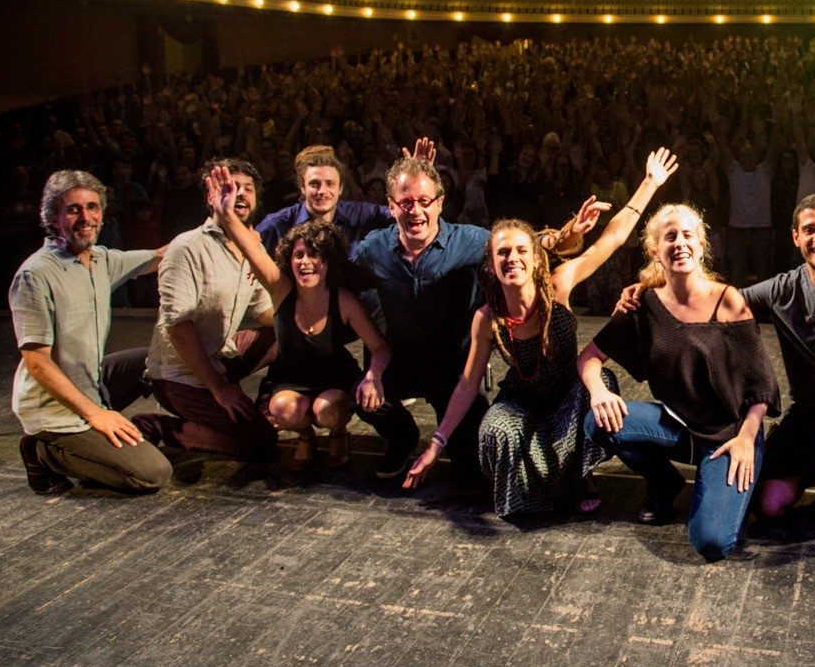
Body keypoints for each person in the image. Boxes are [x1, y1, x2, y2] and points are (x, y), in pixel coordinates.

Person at [616, 193, 815, 552]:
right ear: (796, 238)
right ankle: (814, 466)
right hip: (809, 413)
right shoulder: (782, 288)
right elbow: (716, 300)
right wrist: (652, 290)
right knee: (768, 507)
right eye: (809, 229)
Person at [405, 149, 679, 515]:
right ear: (492, 263)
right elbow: (468, 384)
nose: (512, 258)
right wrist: (435, 445)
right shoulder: (488, 318)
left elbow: (610, 239)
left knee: (605, 386)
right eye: (503, 252)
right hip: (523, 403)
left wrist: (649, 183)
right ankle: (558, 482)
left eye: (521, 250)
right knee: (493, 431)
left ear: (536, 258)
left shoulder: (559, 284)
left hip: (568, 398)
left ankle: (577, 474)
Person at [352, 153, 593, 478]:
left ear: (439, 202)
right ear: (391, 205)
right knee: (360, 395)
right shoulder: (373, 249)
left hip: (452, 371)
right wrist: (374, 361)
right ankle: (402, 436)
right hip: (401, 363)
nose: (416, 210)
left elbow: (523, 244)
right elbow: (340, 286)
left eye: (425, 200)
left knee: (472, 465)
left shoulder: (469, 241)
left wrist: (565, 235)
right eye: (406, 201)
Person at [579, 204, 782, 560]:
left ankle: (733, 484)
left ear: (702, 244)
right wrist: (598, 391)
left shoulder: (728, 300)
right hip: (679, 428)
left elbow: (762, 386)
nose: (679, 243)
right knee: (597, 421)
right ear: (655, 249)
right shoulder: (643, 305)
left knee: (712, 543)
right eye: (669, 236)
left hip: (731, 433)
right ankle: (664, 483)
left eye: (688, 235)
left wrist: (748, 438)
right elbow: (588, 358)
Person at [207, 165, 391, 471]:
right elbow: (252, 247)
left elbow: (380, 347)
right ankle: (305, 435)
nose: (306, 262)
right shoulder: (281, 289)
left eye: (315, 255)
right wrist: (226, 216)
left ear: (328, 262)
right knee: (282, 408)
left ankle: (338, 431)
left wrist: (373, 376)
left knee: (327, 410)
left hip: (334, 381)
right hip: (291, 379)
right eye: (299, 255)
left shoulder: (342, 298)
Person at [9, 170, 172, 494]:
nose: (86, 217)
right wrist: (97, 415)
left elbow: (158, 256)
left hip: (89, 384)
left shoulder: (100, 260)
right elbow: (37, 363)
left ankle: (95, 439)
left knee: (153, 360)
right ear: (53, 218)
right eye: (73, 210)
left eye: (93, 207)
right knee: (152, 473)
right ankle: (42, 452)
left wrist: (220, 222)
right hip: (52, 405)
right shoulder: (35, 275)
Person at [137, 159, 279, 461]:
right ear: (211, 195)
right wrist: (220, 389)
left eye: (248, 189)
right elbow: (177, 327)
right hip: (181, 375)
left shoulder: (251, 248)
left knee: (287, 334)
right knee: (259, 442)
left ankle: (267, 405)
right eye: (231, 187)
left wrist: (308, 320)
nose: (240, 194)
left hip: (220, 357)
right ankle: (163, 428)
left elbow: (265, 311)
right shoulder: (187, 248)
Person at [256, 141, 433, 254]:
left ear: (341, 188)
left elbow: (404, 215)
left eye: (330, 184)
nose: (322, 191)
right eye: (314, 184)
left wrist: (415, 182)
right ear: (302, 187)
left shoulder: (360, 214)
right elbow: (248, 248)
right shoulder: (278, 224)